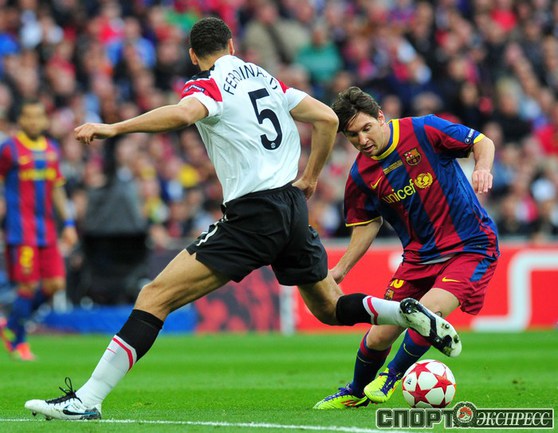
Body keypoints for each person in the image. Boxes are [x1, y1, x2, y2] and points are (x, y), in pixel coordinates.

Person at [24, 19, 460, 420]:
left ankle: (88, 399)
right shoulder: (265, 78)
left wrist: (114, 128)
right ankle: (403, 313)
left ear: (193, 55)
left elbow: (183, 113)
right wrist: (310, 177)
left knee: (154, 296)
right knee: (329, 308)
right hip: (292, 206)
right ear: (232, 45)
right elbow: (327, 118)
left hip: (253, 214)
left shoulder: (207, 83)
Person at [314, 86, 499, 409]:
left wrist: (482, 167)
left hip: (470, 246)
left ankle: (392, 376)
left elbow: (482, 142)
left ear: (381, 117)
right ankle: (356, 391)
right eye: (353, 135)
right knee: (379, 335)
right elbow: (367, 224)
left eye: (366, 128)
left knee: (426, 313)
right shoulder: (360, 175)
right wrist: (341, 269)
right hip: (418, 258)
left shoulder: (423, 129)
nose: (362, 140)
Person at [0, 99, 78, 361]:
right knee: (28, 285)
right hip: (20, 232)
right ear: (21, 120)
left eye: (38, 116)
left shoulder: (51, 149)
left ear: (45, 120)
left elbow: (57, 188)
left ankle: (11, 324)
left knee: (55, 284)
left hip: (47, 231)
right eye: (28, 116)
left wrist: (68, 223)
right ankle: (18, 341)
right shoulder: (9, 149)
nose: (33, 121)